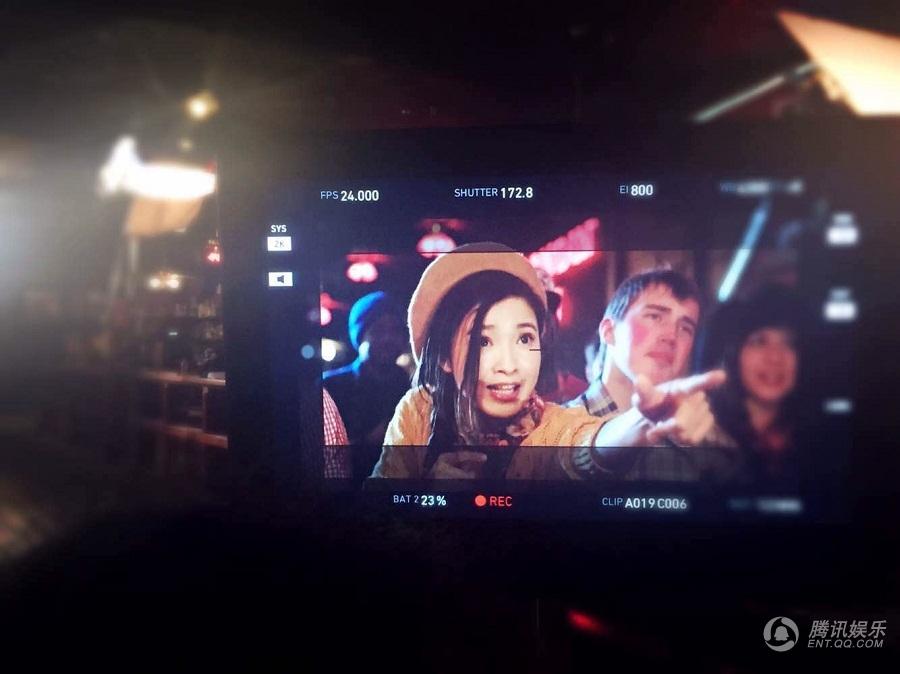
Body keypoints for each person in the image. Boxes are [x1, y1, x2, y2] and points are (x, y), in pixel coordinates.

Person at [370, 243, 615, 480]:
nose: (508, 366)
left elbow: (588, 443)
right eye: (483, 341)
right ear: (444, 357)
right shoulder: (420, 412)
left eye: (524, 338)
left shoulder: (556, 425)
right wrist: (431, 496)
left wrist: (633, 425)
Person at [564, 268, 741, 482]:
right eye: (655, 316)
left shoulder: (706, 447)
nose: (671, 336)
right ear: (609, 331)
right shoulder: (551, 427)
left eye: (685, 328)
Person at [702, 287, 801, 485]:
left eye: (789, 343)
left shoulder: (821, 440)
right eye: (759, 342)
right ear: (731, 355)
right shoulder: (701, 437)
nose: (775, 357)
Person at [323, 291, 410, 477]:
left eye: (395, 330)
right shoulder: (329, 387)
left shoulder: (412, 389)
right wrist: (370, 441)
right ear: (360, 336)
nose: (388, 338)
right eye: (378, 330)